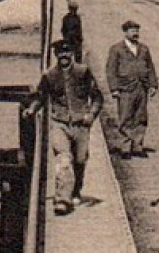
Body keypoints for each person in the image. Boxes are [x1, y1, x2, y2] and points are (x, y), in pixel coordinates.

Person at [31, 39, 104, 215]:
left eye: (67, 52)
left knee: (80, 160)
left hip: (81, 123)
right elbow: (40, 97)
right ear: (56, 55)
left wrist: (91, 115)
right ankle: (62, 200)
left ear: (71, 54)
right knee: (64, 160)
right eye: (60, 53)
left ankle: (75, 190)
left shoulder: (83, 72)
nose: (63, 56)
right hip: (60, 123)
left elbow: (97, 97)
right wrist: (32, 109)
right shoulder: (49, 75)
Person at [105, 20, 159, 158]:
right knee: (125, 117)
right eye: (132, 31)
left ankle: (137, 146)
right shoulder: (116, 49)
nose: (135, 33)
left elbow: (150, 67)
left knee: (141, 117)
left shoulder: (144, 49)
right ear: (125, 32)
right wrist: (114, 89)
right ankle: (125, 148)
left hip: (142, 87)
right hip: (125, 88)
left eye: (137, 30)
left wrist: (153, 85)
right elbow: (111, 70)